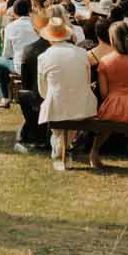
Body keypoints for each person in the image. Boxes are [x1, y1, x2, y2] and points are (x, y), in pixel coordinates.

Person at [88, 22, 128, 171]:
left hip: (113, 104)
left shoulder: (105, 61)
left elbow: (103, 92)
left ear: (112, 39)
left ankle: (94, 152)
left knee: (106, 126)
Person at [33, 16, 93, 171]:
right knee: (67, 119)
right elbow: (87, 81)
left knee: (57, 112)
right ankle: (63, 149)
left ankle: (60, 151)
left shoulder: (44, 57)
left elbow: (42, 89)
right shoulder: (82, 53)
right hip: (82, 103)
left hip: (58, 103)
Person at [13, 9, 57, 154]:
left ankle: (35, 132)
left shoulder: (30, 50)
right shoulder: (67, 50)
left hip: (40, 100)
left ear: (35, 29)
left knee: (24, 93)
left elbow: (25, 82)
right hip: (59, 98)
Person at [0, 0, 37, 106]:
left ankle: (5, 97)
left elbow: (7, 53)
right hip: (38, 64)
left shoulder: (10, 27)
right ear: (30, 11)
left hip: (20, 66)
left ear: (14, 12)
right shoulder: (36, 25)